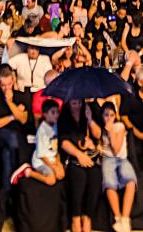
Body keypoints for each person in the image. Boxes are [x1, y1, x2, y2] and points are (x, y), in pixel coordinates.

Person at [0, 66, 33, 196]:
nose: (6, 88)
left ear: (13, 80)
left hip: (17, 137)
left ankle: (7, 191)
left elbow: (23, 120)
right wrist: (12, 116)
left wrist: (10, 102)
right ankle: (19, 174)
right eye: (3, 85)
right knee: (11, 139)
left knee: (8, 152)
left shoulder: (21, 97)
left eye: (9, 84)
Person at [59, 99, 102, 232]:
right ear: (68, 103)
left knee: (95, 176)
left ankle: (87, 217)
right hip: (72, 158)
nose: (77, 106)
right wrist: (79, 155)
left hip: (91, 157)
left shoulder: (90, 110)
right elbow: (63, 142)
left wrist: (90, 119)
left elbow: (99, 134)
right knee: (79, 177)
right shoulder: (64, 117)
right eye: (74, 104)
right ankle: (76, 218)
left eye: (79, 103)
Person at [99, 101, 136, 232]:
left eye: (111, 115)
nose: (109, 118)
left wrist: (110, 132)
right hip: (108, 160)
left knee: (130, 181)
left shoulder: (119, 126)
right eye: (106, 115)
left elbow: (116, 148)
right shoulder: (101, 129)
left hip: (121, 158)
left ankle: (125, 219)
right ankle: (118, 217)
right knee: (109, 184)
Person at [10, 99, 65, 186]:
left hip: (52, 158)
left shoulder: (55, 126)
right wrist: (54, 167)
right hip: (41, 161)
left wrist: (58, 163)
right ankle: (28, 172)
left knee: (61, 175)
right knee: (51, 180)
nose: (56, 115)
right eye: (53, 113)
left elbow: (55, 148)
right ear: (45, 114)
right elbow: (42, 155)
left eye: (57, 112)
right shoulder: (42, 131)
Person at [120, 68, 143, 179]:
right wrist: (141, 135)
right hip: (134, 138)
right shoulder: (130, 97)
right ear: (140, 82)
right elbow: (124, 117)